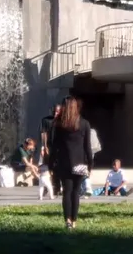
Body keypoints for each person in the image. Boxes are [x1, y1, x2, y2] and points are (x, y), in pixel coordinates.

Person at [49, 96, 95, 230]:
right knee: (76, 192)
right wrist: (90, 164)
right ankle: (74, 220)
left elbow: (54, 147)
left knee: (67, 192)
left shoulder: (59, 124)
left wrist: (51, 164)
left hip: (64, 163)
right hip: (80, 162)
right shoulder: (84, 124)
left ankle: (67, 220)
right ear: (76, 107)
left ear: (64, 107)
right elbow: (87, 147)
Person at [41, 103, 63, 197]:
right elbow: (44, 133)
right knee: (50, 166)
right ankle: (50, 186)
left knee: (58, 167)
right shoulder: (46, 120)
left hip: (59, 147)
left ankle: (57, 187)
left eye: (58, 112)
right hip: (50, 146)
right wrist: (44, 146)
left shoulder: (62, 121)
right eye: (54, 111)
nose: (55, 113)